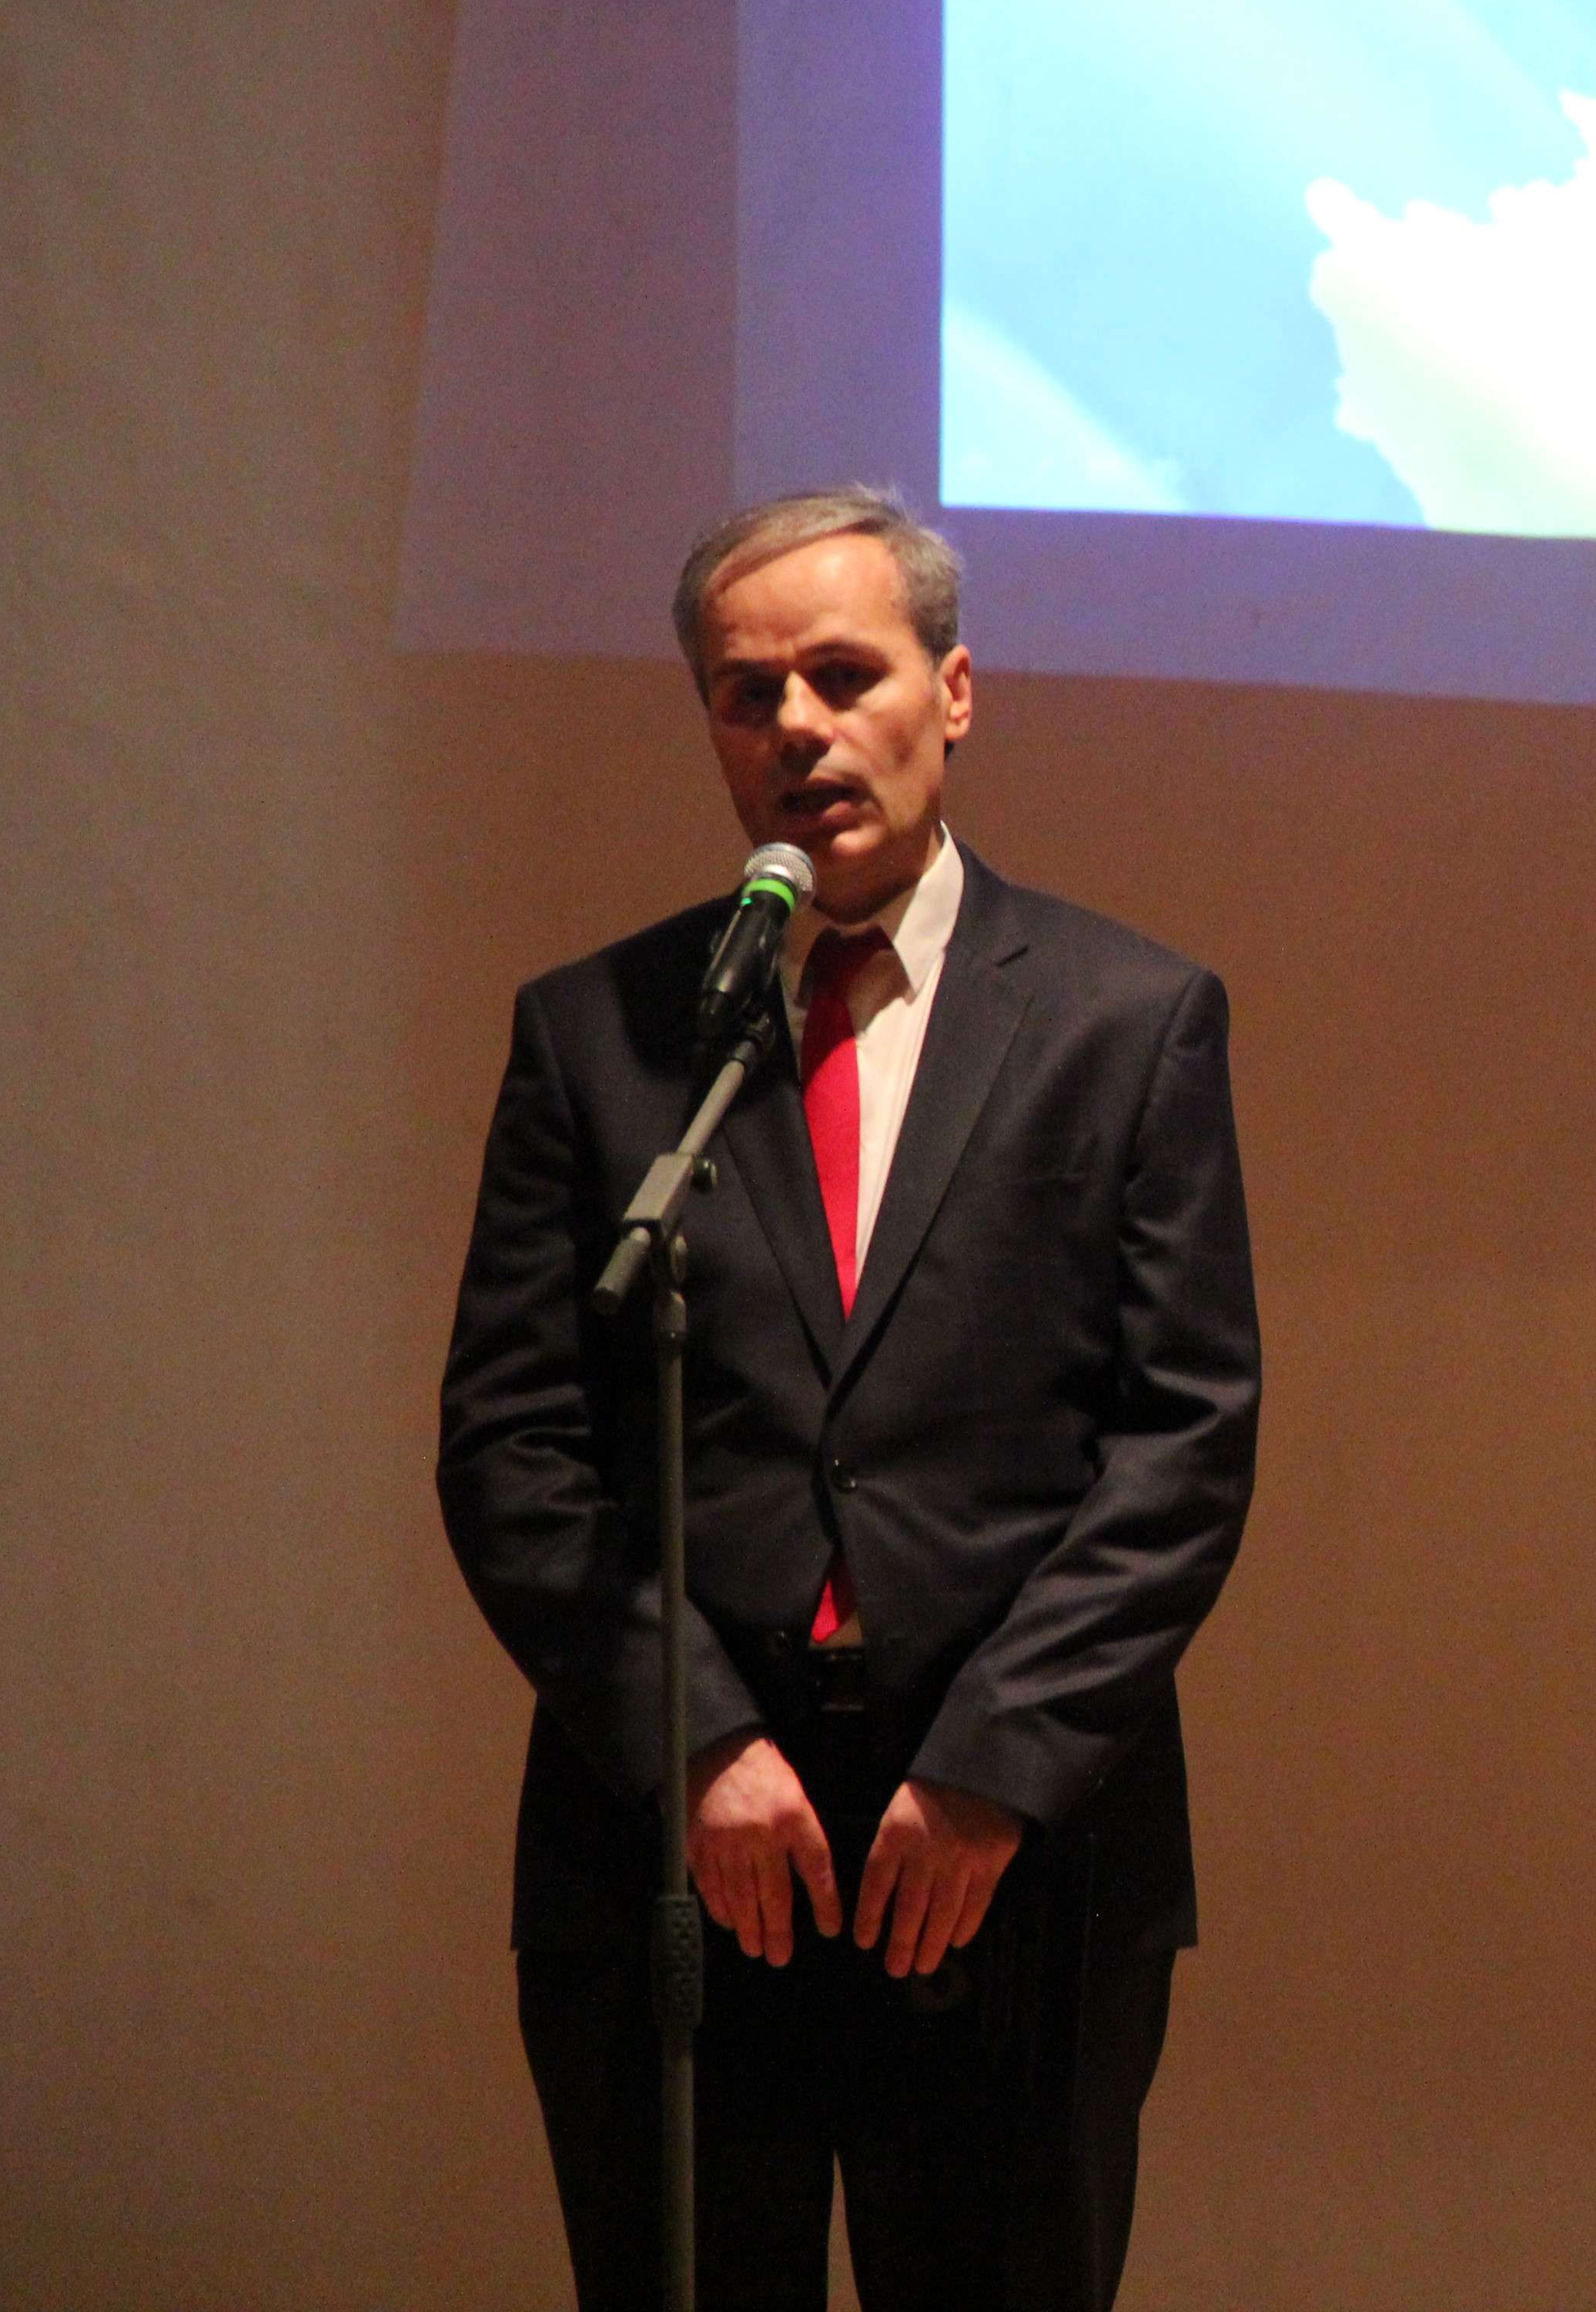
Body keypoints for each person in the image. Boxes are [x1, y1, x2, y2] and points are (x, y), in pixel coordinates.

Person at [437, 485, 1259, 2311]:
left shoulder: (1127, 1021)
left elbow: (1185, 1442)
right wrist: (694, 1741)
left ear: (953, 693)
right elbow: (512, 1446)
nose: (798, 727)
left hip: (1008, 1864)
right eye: (749, 696)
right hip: (681, 1848)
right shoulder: (601, 1034)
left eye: (843, 675)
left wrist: (990, 1772)